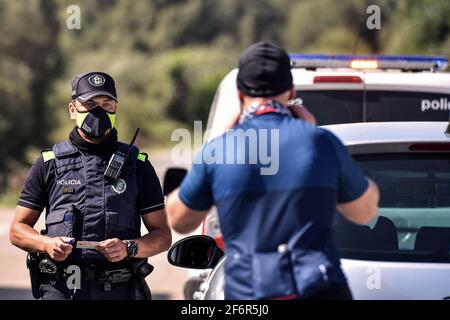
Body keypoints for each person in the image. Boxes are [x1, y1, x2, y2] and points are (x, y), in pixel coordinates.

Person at [166, 42, 379, 300]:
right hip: (320, 289)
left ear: (239, 95)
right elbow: (365, 212)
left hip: (249, 294)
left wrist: (217, 143)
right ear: (291, 92)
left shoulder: (220, 150)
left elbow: (179, 219)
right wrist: (313, 133)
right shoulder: (321, 142)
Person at [10, 72, 172, 300]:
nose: (99, 111)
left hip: (119, 291)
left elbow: (163, 236)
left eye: (108, 104)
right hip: (61, 291)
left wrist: (129, 247)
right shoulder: (49, 163)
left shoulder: (138, 165)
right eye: (90, 104)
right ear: (72, 110)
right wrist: (46, 244)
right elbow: (17, 230)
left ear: (116, 110)